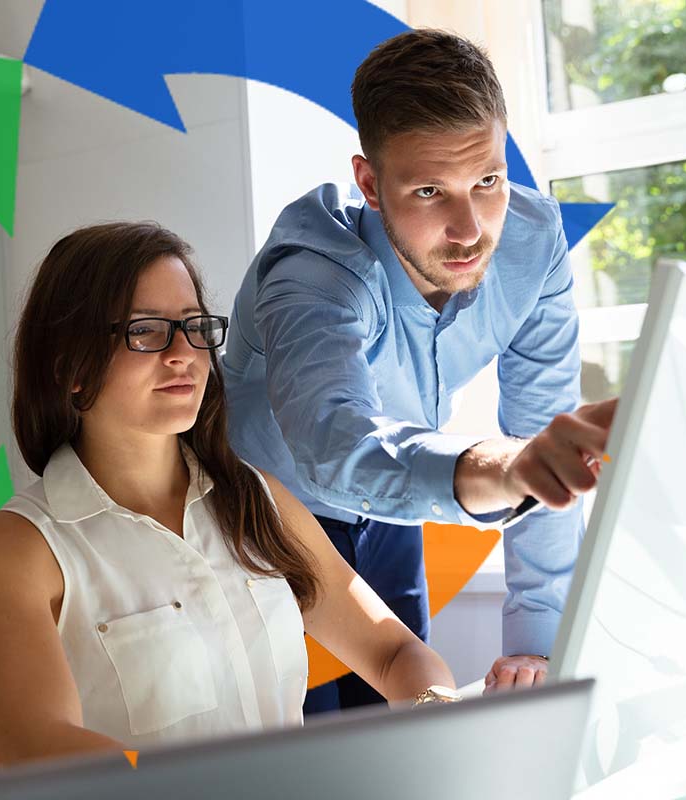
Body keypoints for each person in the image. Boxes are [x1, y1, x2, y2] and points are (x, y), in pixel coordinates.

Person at [0, 222, 456, 768]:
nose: (183, 353)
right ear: (70, 368)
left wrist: (434, 716)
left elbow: (395, 651)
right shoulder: (12, 551)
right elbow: (33, 749)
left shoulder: (256, 499)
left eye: (194, 327)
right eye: (146, 331)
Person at [222, 29, 617, 715]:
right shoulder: (313, 273)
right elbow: (335, 441)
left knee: (405, 738)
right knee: (299, 758)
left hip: (397, 503)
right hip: (261, 522)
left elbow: (545, 433)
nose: (470, 228)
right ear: (370, 184)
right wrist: (505, 469)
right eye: (431, 190)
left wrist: (538, 639)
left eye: (487, 180)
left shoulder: (533, 243)